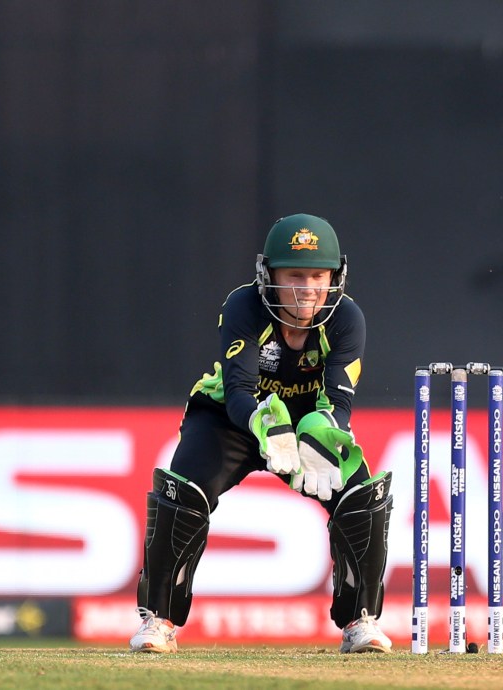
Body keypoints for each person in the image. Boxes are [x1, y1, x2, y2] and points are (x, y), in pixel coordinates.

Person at [130, 213, 393, 654]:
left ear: (335, 276)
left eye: (317, 275)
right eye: (294, 275)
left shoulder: (347, 319)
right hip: (231, 419)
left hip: (309, 425)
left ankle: (359, 621)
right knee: (183, 493)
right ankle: (158, 620)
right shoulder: (243, 306)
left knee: (361, 498)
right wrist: (266, 427)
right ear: (267, 275)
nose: (307, 288)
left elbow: (339, 405)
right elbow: (238, 391)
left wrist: (320, 432)